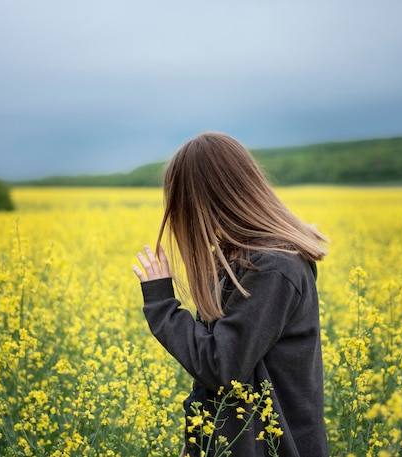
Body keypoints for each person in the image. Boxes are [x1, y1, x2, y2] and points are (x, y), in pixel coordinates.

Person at [132, 132, 329, 456]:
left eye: (184, 203)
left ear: (210, 200)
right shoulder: (246, 261)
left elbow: (221, 367)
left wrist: (162, 304)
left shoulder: (271, 270)